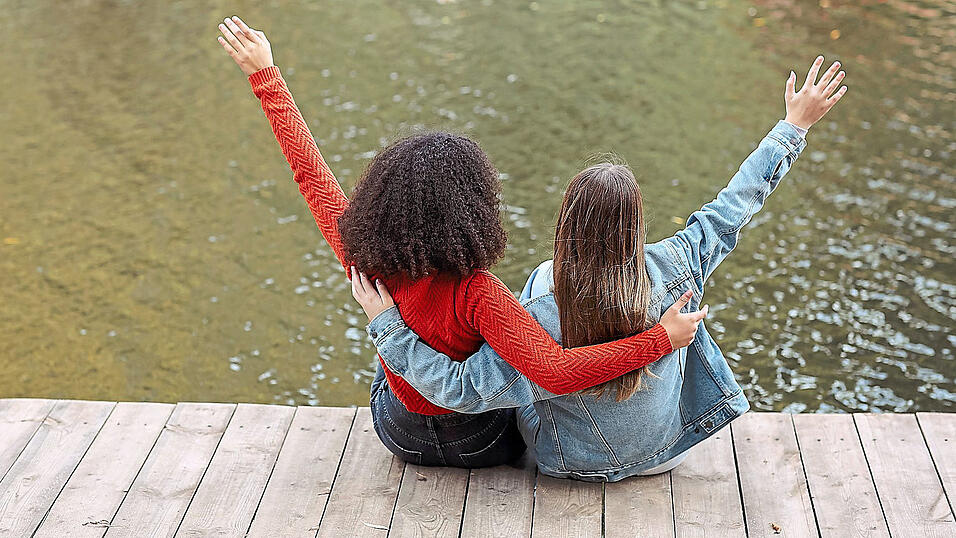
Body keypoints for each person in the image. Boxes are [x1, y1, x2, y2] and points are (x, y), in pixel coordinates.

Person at [217, 16, 706, 468]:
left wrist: (266, 76)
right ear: (475, 209)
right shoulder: (479, 292)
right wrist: (660, 339)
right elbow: (554, 373)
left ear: (383, 201)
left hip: (401, 437)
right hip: (481, 445)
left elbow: (310, 175)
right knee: (513, 380)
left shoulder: (363, 261)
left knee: (386, 351)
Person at [351, 56, 847, 481]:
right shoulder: (677, 261)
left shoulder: (542, 294)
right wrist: (793, 126)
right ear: (637, 223)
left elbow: (464, 388)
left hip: (570, 464)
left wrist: (390, 327)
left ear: (566, 223)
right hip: (666, 453)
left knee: (497, 379)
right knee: (687, 295)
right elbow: (735, 204)